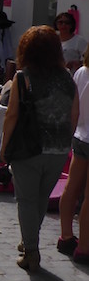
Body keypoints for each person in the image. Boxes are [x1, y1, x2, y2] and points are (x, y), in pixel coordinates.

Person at [1, 25, 78, 272]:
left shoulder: (22, 78)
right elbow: (73, 114)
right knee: (41, 198)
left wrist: (4, 147)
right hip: (58, 148)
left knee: (25, 199)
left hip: (28, 148)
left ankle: (31, 251)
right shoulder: (67, 77)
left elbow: (11, 116)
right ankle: (29, 239)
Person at [57, 43, 89, 263]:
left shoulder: (81, 71)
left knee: (71, 188)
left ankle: (66, 236)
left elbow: (74, 106)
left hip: (80, 134)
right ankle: (85, 248)